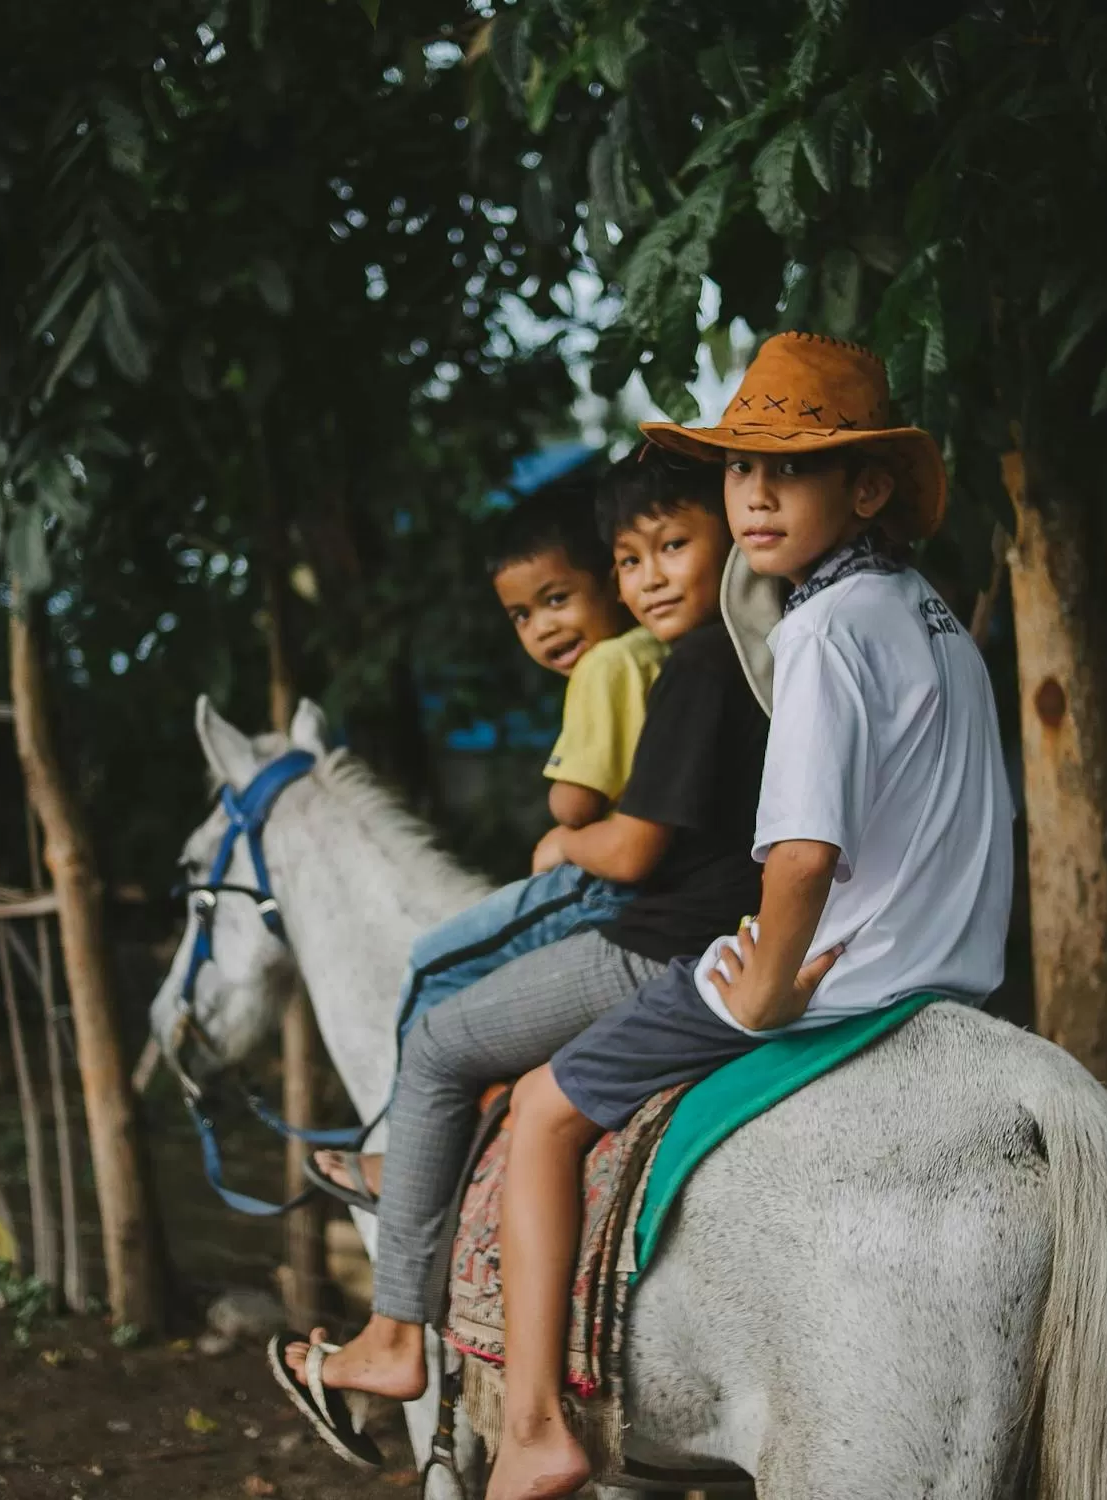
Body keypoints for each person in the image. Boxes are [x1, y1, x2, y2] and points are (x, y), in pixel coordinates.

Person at [483, 332, 1017, 1500]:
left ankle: (530, 1426)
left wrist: (766, 984)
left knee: (540, 1109)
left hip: (851, 982)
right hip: (956, 978)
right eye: (738, 470)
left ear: (866, 487)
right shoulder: (921, 612)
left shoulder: (820, 629)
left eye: (791, 470)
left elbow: (805, 853)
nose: (756, 495)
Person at [271, 449, 772, 1470]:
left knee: (442, 1033)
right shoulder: (744, 654)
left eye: (671, 549)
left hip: (666, 942)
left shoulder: (699, 667)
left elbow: (627, 846)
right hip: (708, 921)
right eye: (633, 559)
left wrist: (566, 843)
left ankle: (394, 1335)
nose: (652, 578)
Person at [303, 477, 663, 1207]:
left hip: (608, 888)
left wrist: (565, 832)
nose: (542, 629)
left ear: (612, 582)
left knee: (432, 965)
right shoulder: (661, 651)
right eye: (522, 615)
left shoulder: (607, 665)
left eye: (557, 599)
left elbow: (575, 797)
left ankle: (405, 1159)